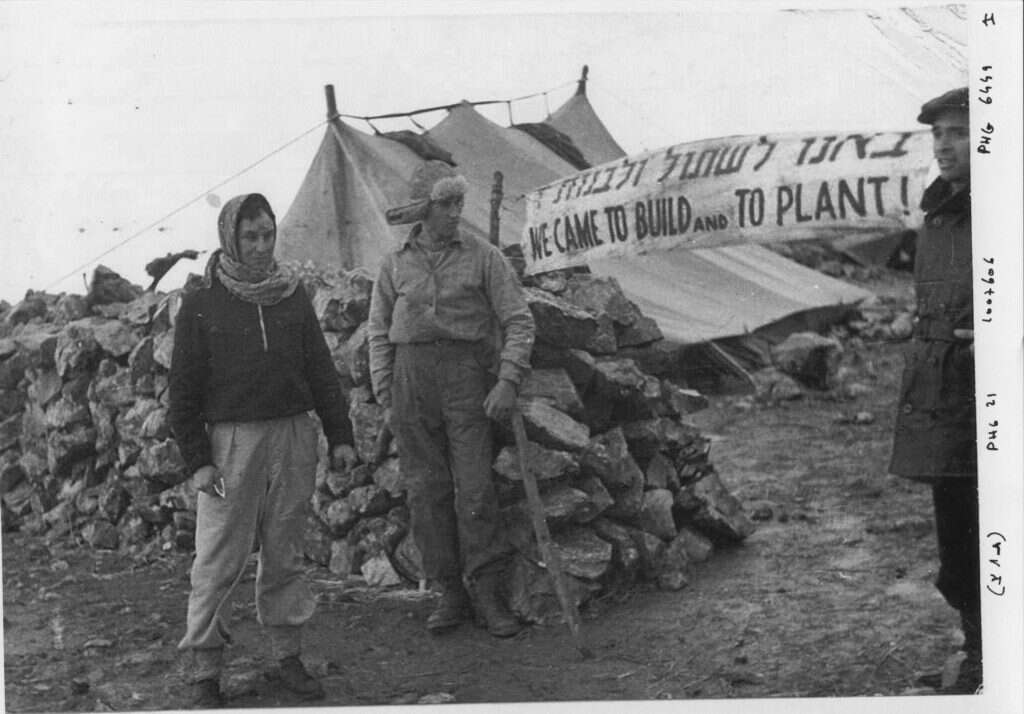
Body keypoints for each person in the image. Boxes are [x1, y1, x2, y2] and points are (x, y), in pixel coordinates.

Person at [169, 193, 357, 708]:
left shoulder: (291, 294)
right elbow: (182, 391)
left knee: (285, 550)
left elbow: (320, 369)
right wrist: (199, 460)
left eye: (268, 234)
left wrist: (340, 435)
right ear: (230, 237)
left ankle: (284, 657)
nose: (260, 245)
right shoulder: (202, 303)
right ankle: (205, 669)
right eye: (250, 236)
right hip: (231, 445)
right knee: (219, 555)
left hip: (294, 437)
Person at [367, 163, 535, 638]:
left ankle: (488, 593)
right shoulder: (394, 262)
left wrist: (507, 380)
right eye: (446, 204)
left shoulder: (484, 256)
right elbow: (379, 330)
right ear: (424, 209)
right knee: (426, 491)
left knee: (476, 488)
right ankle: (450, 593)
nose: (456, 212)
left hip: (466, 379)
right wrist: (386, 394)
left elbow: (519, 319)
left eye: (459, 202)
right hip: (411, 380)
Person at [889, 87, 981, 694]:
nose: (944, 145)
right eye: (937, 135)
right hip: (946, 399)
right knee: (958, 538)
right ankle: (980, 655)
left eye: (958, 132)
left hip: (995, 399)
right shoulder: (937, 212)